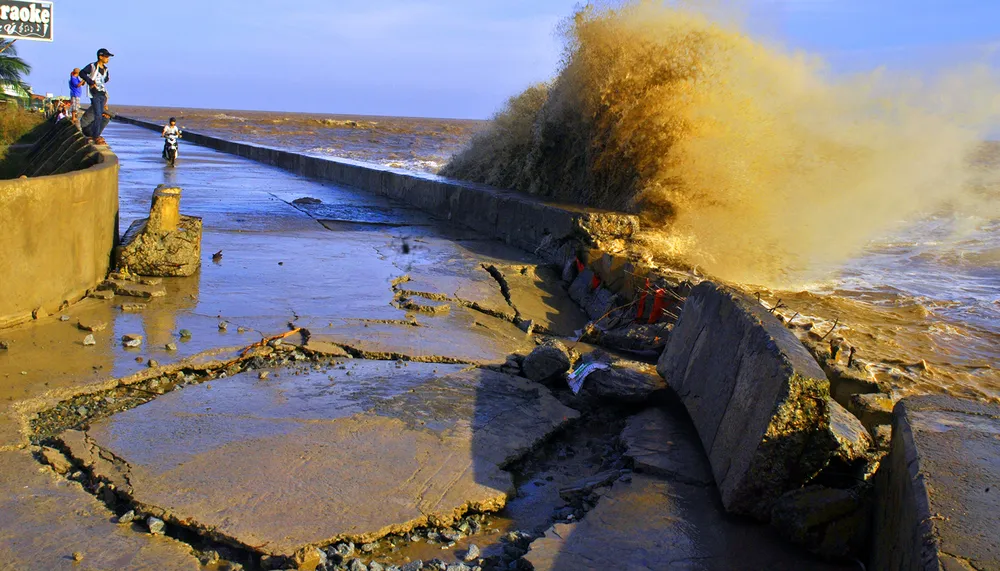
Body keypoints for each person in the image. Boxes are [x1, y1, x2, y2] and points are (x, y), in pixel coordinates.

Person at [79, 48, 113, 144]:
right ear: (100, 56)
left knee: (100, 114)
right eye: (106, 57)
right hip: (94, 92)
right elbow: (82, 73)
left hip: (102, 92)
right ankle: (96, 136)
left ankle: (96, 134)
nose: (108, 59)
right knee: (98, 114)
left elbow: (106, 79)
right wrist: (90, 81)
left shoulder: (106, 69)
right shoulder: (92, 66)